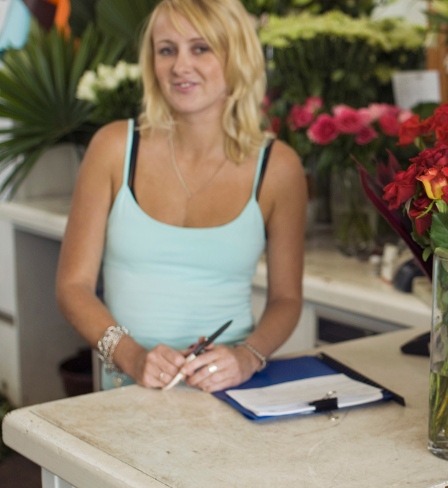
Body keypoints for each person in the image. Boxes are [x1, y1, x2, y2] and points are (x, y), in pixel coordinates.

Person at [56, 0, 307, 393]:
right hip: (125, 393)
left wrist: (247, 357)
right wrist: (132, 357)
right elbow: (73, 287)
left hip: (229, 392)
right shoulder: (114, 148)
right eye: (166, 50)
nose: (179, 66)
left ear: (236, 55)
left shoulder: (279, 167)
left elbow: (287, 299)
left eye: (200, 48)